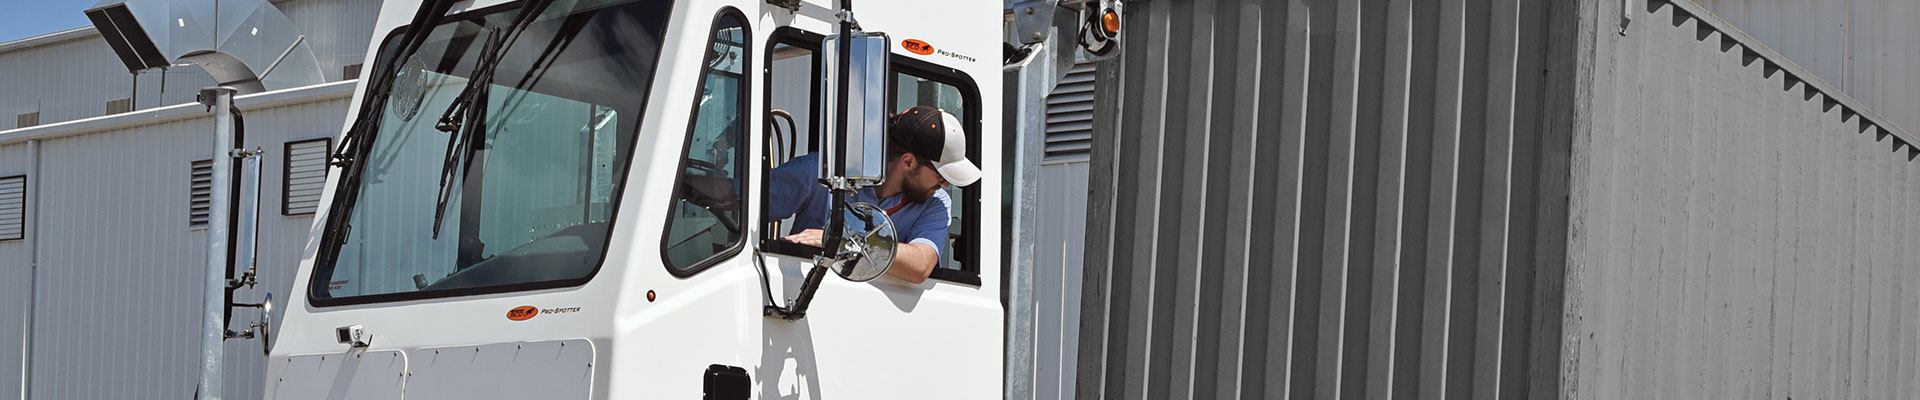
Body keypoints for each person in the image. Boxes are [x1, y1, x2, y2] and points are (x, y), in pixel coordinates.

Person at [768, 106, 980, 284]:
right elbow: (743, 203)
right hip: (803, 300)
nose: (944, 185)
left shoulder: (936, 203)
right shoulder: (822, 172)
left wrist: (840, 240)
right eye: (941, 175)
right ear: (908, 162)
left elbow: (921, 265)